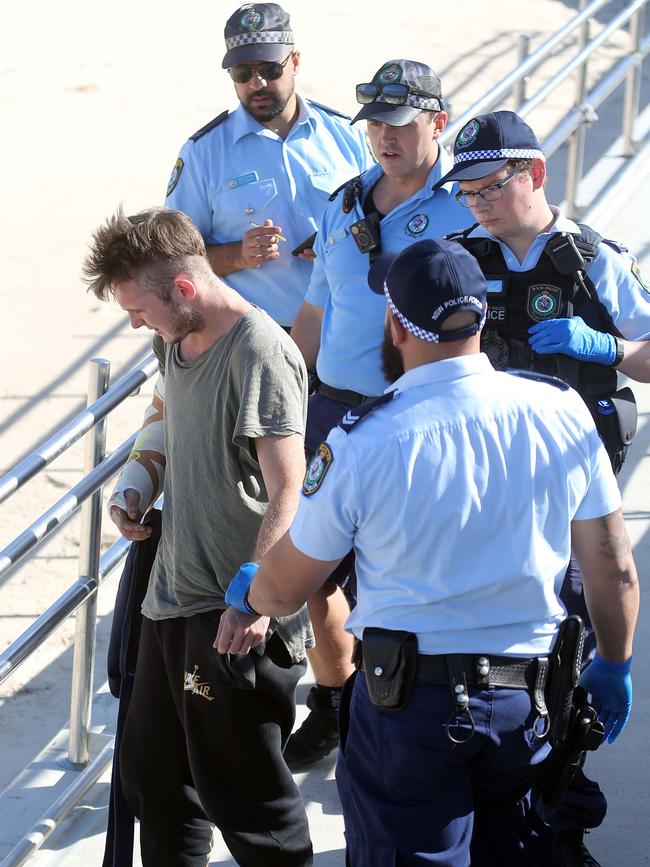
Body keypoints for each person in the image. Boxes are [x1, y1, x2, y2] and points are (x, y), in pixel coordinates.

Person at [217, 238, 639, 866]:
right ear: (482, 317)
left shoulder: (366, 439)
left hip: (411, 711)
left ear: (394, 322)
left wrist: (252, 588)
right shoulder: (560, 411)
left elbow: (286, 588)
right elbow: (612, 562)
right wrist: (615, 661)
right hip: (529, 703)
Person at [437, 109, 650, 866]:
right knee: (492, 665)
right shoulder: (457, 259)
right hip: (483, 497)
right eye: (465, 192)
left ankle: (563, 823)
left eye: (490, 187)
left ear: (535, 173)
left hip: (572, 497)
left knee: (566, 661)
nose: (478, 204)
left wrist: (612, 347)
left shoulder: (593, 257)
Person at [83, 206, 313, 866]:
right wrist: (136, 482)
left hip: (234, 614)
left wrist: (253, 597)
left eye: (139, 308)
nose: (135, 322)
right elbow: (166, 415)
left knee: (251, 805)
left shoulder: (261, 351)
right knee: (154, 781)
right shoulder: (176, 336)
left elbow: (289, 489)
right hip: (170, 601)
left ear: (184, 289)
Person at [284, 58, 471, 769]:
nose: (383, 140)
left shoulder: (466, 207)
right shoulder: (343, 203)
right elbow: (315, 309)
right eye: (374, 126)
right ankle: (335, 697)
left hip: (414, 416)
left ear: (438, 124)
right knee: (315, 572)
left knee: (398, 578)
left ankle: (396, 710)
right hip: (330, 412)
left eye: (399, 125)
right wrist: (285, 397)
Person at [165, 2, 372, 329]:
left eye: (269, 69)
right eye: (242, 73)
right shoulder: (202, 154)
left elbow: (384, 223)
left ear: (296, 62)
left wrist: (342, 241)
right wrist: (239, 255)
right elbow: (173, 261)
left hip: (350, 330)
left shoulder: (348, 137)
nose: (256, 83)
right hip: (256, 342)